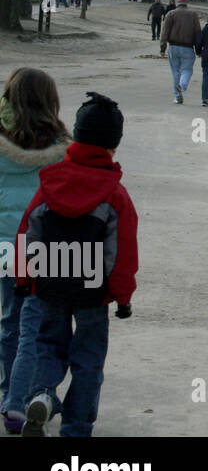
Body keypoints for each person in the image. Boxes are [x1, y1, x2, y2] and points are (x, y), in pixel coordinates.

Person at [18, 91, 137, 437]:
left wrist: (26, 280)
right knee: (88, 360)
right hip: (92, 290)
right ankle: (76, 426)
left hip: (50, 283)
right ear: (113, 145)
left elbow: (28, 230)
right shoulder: (115, 194)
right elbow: (122, 252)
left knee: (48, 345)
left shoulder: (51, 180)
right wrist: (123, 296)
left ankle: (40, 395)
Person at [0, 69, 70, 433]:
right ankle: (30, 397)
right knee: (41, 325)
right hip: (47, 248)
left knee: (9, 323)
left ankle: (8, 394)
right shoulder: (61, 144)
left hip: (4, 249)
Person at [158, 0, 202, 104]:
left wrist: (163, 47)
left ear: (177, 5)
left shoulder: (171, 14)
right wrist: (199, 50)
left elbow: (165, 32)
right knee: (187, 70)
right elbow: (198, 33)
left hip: (173, 47)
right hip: (188, 47)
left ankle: (177, 96)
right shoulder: (193, 15)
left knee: (175, 72)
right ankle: (182, 86)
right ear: (186, 5)